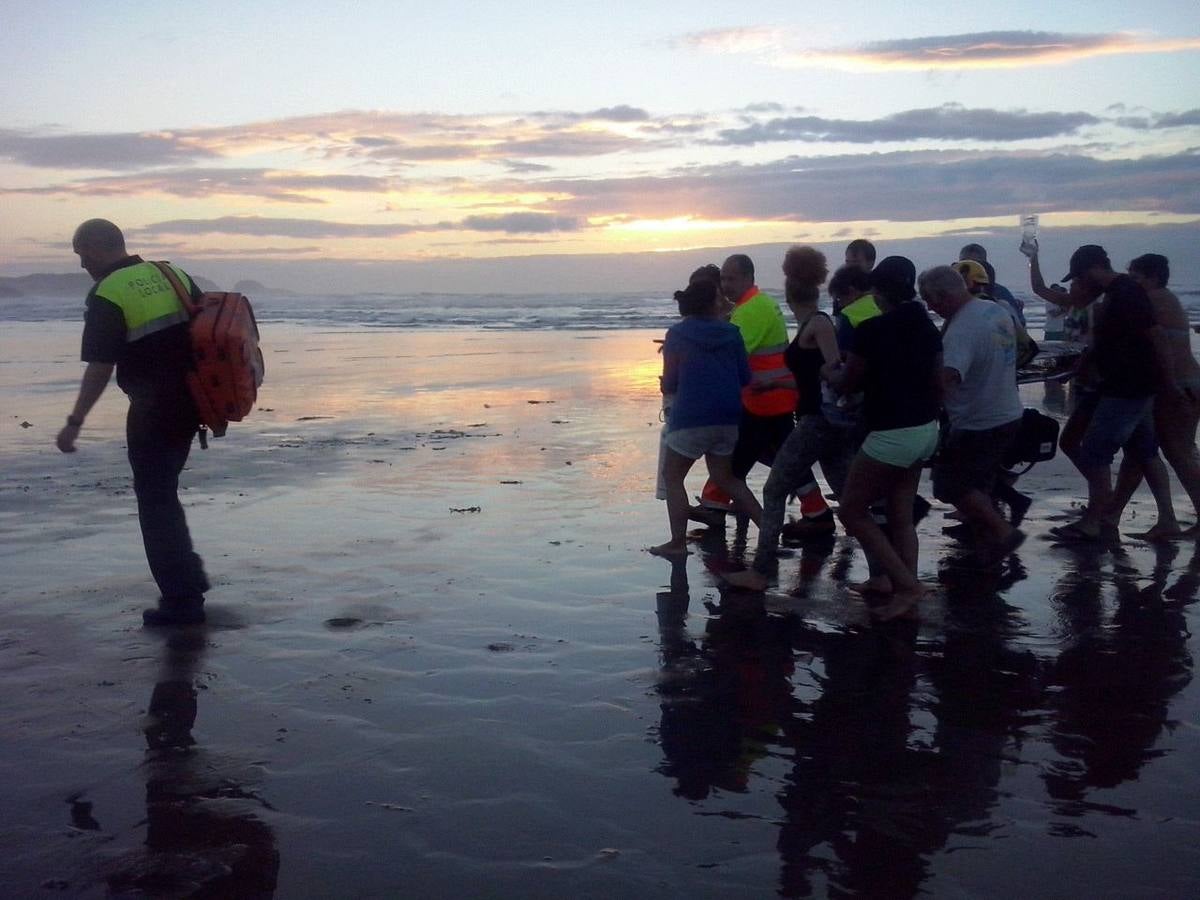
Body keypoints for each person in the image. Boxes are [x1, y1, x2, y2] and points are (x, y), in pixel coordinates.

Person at [56, 219, 210, 626]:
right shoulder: (169, 272)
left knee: (155, 502)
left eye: (82, 255)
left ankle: (182, 601)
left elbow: (100, 365)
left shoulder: (108, 293)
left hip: (152, 410)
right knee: (165, 494)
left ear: (96, 248)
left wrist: (75, 421)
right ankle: (189, 579)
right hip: (194, 404)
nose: (82, 265)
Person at [824, 257, 943, 620]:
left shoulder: (872, 330)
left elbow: (849, 383)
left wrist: (828, 371)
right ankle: (903, 584)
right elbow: (937, 378)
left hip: (890, 432)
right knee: (900, 513)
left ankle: (906, 585)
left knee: (852, 511)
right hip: (926, 428)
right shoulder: (927, 325)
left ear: (877, 292)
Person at [726, 247, 850, 590]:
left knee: (774, 489)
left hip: (819, 422)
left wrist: (834, 375)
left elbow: (835, 372)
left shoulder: (819, 324)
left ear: (792, 294)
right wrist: (776, 381)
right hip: (816, 418)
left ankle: (762, 571)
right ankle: (886, 574)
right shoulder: (809, 324)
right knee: (850, 501)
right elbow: (810, 375)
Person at [1049, 245, 1179, 542]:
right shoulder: (1114, 295)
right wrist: (1080, 367)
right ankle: (1115, 509)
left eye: (1080, 277)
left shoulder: (1127, 294)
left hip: (1130, 387)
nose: (1079, 284)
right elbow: (1103, 341)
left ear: (1092, 270)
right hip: (1114, 383)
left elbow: (1156, 337)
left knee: (1096, 450)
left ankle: (1096, 518)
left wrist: (1169, 385)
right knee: (1140, 450)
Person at [650, 279, 763, 556]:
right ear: (713, 302)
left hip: (691, 418)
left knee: (673, 477)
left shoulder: (677, 334)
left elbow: (672, 382)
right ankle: (769, 529)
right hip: (728, 418)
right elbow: (745, 377)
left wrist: (665, 386)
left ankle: (677, 543)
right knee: (726, 479)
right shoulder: (732, 332)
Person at [920, 266, 1025, 563]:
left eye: (932, 300)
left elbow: (947, 378)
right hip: (1008, 411)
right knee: (981, 485)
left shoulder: (962, 330)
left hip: (980, 421)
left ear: (946, 294)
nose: (930, 307)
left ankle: (1002, 532)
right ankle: (987, 549)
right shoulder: (993, 310)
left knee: (949, 485)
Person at [691, 254, 798, 525]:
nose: (726, 284)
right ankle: (716, 503)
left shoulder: (750, 310)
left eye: (731, 278)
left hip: (766, 399)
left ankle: (726, 509)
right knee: (771, 457)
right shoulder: (752, 305)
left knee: (743, 457)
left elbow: (729, 354)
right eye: (723, 279)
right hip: (766, 396)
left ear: (749, 278)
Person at [1106, 254, 1200, 537]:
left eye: (1136, 277)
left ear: (1153, 278)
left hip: (1179, 386)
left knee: (1177, 453)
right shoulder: (1163, 298)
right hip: (1183, 383)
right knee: (1142, 452)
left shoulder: (1154, 300)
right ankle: (1112, 516)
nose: (1132, 284)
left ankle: (1116, 517)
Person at [960, 242, 1025, 326]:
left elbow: (1019, 323)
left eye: (975, 264)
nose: (969, 269)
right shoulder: (955, 293)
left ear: (984, 265)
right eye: (964, 264)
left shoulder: (999, 292)